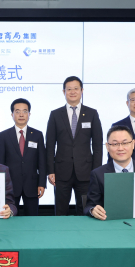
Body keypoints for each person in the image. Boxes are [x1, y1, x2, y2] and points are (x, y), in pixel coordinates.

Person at [46, 76, 103, 216]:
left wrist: (96, 171)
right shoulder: (55, 114)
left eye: (76, 88)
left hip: (85, 171)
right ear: (63, 91)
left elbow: (97, 145)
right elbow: (49, 145)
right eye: (69, 89)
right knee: (60, 210)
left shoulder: (92, 113)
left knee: (84, 209)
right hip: (61, 171)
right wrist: (50, 170)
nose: (72, 92)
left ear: (82, 90)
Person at [0, 98, 46, 216]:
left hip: (32, 184)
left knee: (33, 218)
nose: (21, 114)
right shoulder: (4, 135)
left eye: (25, 111)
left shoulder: (38, 135)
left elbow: (42, 162)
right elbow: (0, 163)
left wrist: (42, 183)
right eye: (17, 111)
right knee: (10, 216)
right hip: (11, 185)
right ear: (12, 114)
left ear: (29, 114)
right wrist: (0, 184)